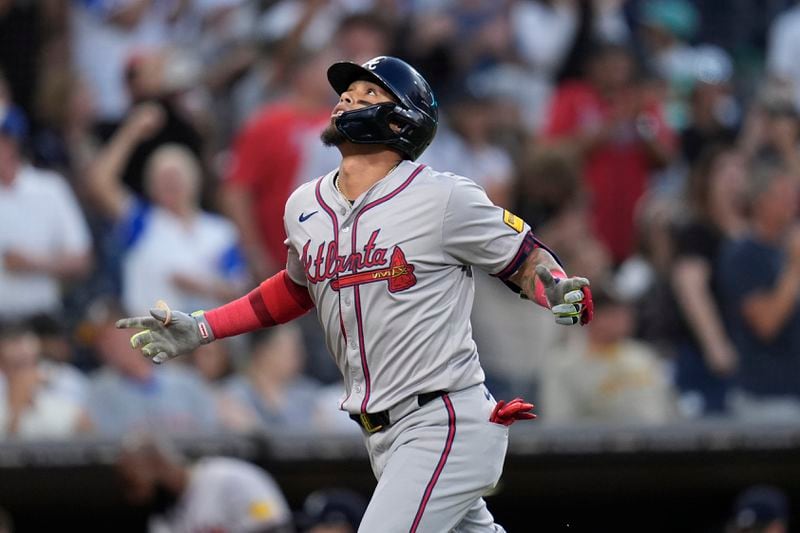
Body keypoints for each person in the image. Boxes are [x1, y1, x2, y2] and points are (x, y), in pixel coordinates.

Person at [117, 55, 593, 532]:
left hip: (444, 418)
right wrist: (204, 326)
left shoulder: (444, 197)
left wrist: (557, 291)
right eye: (347, 91)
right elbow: (294, 290)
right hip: (382, 435)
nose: (348, 98)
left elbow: (526, 259)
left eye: (369, 94)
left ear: (402, 119)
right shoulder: (305, 205)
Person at [717, 161, 800, 421]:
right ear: (760, 202)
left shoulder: (787, 248)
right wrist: (795, 268)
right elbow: (766, 324)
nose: (793, 203)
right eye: (784, 196)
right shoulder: (742, 254)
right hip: (766, 399)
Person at [115, 435, 293, 533]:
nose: (133, 495)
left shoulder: (231, 477)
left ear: (155, 463)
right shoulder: (162, 516)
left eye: (131, 481)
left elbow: (275, 524)